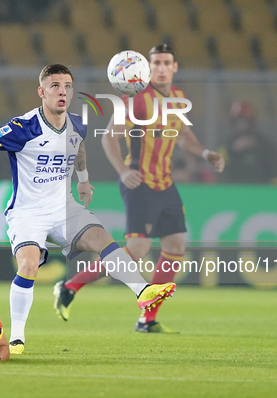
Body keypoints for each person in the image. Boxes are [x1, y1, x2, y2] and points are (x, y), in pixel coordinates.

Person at [0, 63, 177, 355]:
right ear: (42, 92)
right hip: (28, 212)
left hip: (64, 208)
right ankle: (16, 338)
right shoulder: (25, 127)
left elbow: (78, 147)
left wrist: (84, 180)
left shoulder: (77, 123)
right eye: (54, 86)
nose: (62, 92)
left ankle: (143, 292)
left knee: (103, 239)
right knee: (28, 265)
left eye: (67, 86)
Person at [54, 44, 225, 333]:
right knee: (136, 251)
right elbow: (110, 137)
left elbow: (184, 137)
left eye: (165, 62)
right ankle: (70, 286)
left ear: (174, 67)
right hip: (140, 182)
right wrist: (123, 172)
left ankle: (147, 318)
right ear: (147, 68)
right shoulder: (137, 99)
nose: (160, 67)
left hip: (166, 184)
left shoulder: (178, 98)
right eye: (155, 62)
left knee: (175, 248)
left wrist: (206, 153)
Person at [219, 101, 277, 185]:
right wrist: (233, 150)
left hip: (260, 192)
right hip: (233, 191)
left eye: (242, 120)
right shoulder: (227, 144)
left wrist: (276, 193)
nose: (239, 124)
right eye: (235, 121)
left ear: (251, 121)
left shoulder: (265, 145)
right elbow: (216, 165)